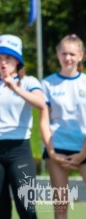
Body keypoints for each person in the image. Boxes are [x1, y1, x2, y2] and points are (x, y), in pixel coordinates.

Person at [0, 34, 45, 219]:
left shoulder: (28, 82)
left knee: (27, 208)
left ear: (17, 60)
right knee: (1, 210)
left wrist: (16, 88)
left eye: (8, 58)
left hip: (19, 149)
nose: (3, 62)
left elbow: (41, 104)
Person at [40, 34, 86, 219]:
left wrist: (82, 154)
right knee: (60, 206)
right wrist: (52, 153)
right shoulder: (47, 83)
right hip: (57, 149)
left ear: (81, 56)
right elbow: (44, 121)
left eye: (72, 54)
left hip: (84, 147)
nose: (68, 58)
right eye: (64, 53)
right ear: (58, 54)